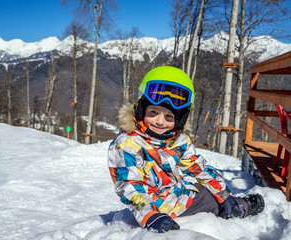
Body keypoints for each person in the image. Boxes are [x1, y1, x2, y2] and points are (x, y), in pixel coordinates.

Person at [107, 66, 264, 233]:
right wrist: (149, 216)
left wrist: (223, 193)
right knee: (207, 197)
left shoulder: (176, 141)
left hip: (176, 193)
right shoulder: (127, 144)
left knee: (204, 186)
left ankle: (229, 202)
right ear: (140, 108)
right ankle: (238, 208)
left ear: (180, 119)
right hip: (154, 206)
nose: (160, 122)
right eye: (154, 112)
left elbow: (197, 167)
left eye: (169, 116)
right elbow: (129, 185)